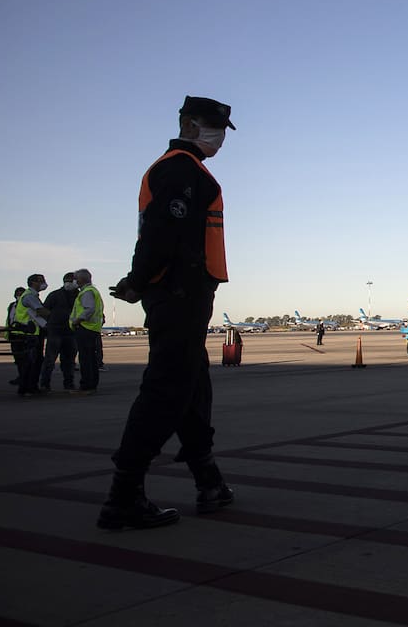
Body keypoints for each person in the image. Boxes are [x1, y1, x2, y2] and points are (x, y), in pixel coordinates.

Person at [99, 95, 236, 530]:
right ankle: (123, 495)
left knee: (193, 389)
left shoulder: (189, 170)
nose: (218, 138)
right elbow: (163, 233)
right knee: (167, 391)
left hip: (185, 295)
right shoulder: (179, 170)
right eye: (212, 127)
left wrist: (142, 281)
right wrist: (138, 281)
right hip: (179, 293)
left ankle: (208, 479)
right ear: (189, 124)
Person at [40, 272, 79, 391]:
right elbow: (43, 311)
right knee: (50, 360)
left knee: (69, 361)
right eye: (67, 280)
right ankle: (45, 383)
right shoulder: (55, 295)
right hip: (55, 331)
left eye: (71, 280)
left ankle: (69, 383)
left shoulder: (80, 295)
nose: (69, 283)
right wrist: (51, 321)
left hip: (71, 332)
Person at [14, 274, 51, 396]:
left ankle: (29, 387)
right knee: (31, 363)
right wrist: (55, 317)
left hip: (30, 333)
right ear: (33, 282)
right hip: (28, 335)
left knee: (33, 362)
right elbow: (40, 311)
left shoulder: (31, 296)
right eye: (41, 281)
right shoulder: (30, 296)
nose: (44, 283)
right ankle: (28, 388)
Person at [70, 269, 105, 392]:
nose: (75, 281)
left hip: (85, 328)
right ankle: (91, 383)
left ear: (82, 279)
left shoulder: (87, 292)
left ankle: (86, 384)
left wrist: (77, 320)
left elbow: (89, 309)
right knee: (90, 358)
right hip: (92, 328)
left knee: (85, 359)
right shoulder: (93, 291)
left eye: (76, 279)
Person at [6, 286, 26, 386]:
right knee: (17, 358)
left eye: (21, 293)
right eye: (17, 293)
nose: (19, 295)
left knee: (24, 358)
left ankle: (24, 378)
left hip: (23, 334)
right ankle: (20, 376)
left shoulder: (25, 305)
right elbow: (9, 319)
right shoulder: (12, 305)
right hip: (13, 334)